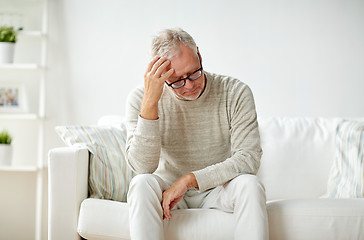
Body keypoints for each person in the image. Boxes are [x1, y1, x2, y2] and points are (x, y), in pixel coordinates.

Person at [125, 28, 268, 240]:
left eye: (194, 72)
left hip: (218, 190)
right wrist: (150, 104)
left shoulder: (235, 92)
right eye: (177, 81)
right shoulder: (141, 99)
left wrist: (189, 180)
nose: (190, 85)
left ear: (199, 56)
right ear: (161, 77)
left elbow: (248, 158)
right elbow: (142, 168)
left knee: (250, 185)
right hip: (167, 193)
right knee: (141, 184)